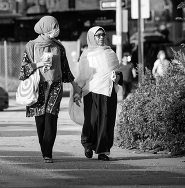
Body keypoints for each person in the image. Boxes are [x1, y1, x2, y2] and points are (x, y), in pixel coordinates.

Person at [19, 16, 81, 163]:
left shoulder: (59, 47)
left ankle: (48, 153)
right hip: (37, 86)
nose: (56, 30)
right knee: (40, 121)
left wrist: (75, 86)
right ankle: (44, 149)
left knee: (51, 119)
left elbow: (65, 69)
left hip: (55, 85)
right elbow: (23, 70)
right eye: (54, 27)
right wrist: (38, 64)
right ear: (45, 29)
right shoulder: (31, 46)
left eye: (57, 26)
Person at [68, 26, 123, 161]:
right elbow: (81, 76)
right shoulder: (86, 54)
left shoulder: (111, 53)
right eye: (97, 35)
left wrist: (117, 78)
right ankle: (88, 144)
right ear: (92, 37)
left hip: (108, 91)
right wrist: (77, 93)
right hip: (91, 92)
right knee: (91, 121)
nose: (101, 37)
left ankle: (103, 151)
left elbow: (118, 72)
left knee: (106, 121)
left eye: (103, 35)